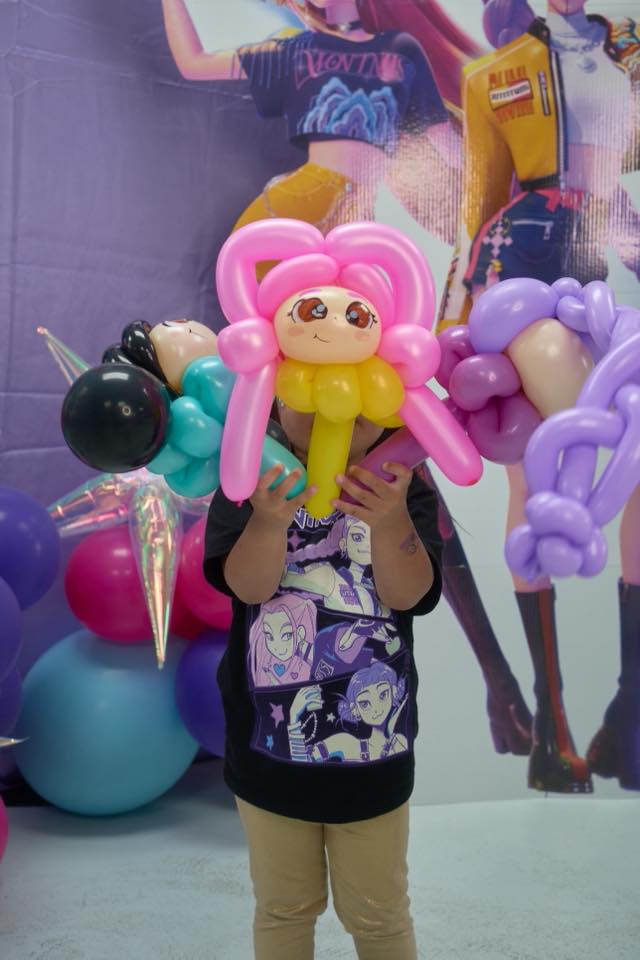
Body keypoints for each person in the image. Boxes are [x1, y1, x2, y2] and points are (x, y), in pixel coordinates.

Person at [440, 0, 640, 793]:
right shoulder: (494, 71)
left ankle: (630, 710)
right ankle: (550, 730)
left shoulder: (629, 52)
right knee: (534, 464)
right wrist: (453, 316)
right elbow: (482, 194)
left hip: (614, 249)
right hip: (520, 260)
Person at [204, 400, 443, 960]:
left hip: (374, 753)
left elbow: (411, 595)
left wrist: (391, 521)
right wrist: (267, 520)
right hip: (268, 749)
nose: (336, 407)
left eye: (359, 394)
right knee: (284, 908)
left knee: (380, 914)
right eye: (308, 394)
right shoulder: (250, 480)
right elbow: (248, 588)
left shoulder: (404, 487)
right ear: (277, 401)